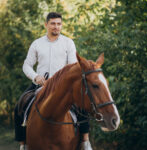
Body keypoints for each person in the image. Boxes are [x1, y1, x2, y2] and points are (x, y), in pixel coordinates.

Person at [14, 12, 92, 150]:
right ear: (46, 25)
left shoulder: (68, 43)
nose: (56, 27)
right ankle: (23, 144)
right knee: (20, 105)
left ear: (61, 25)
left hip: (62, 87)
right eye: (53, 24)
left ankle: (85, 141)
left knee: (82, 104)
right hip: (40, 84)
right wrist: (35, 77)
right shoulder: (37, 44)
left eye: (58, 24)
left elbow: (73, 66)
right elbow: (26, 65)